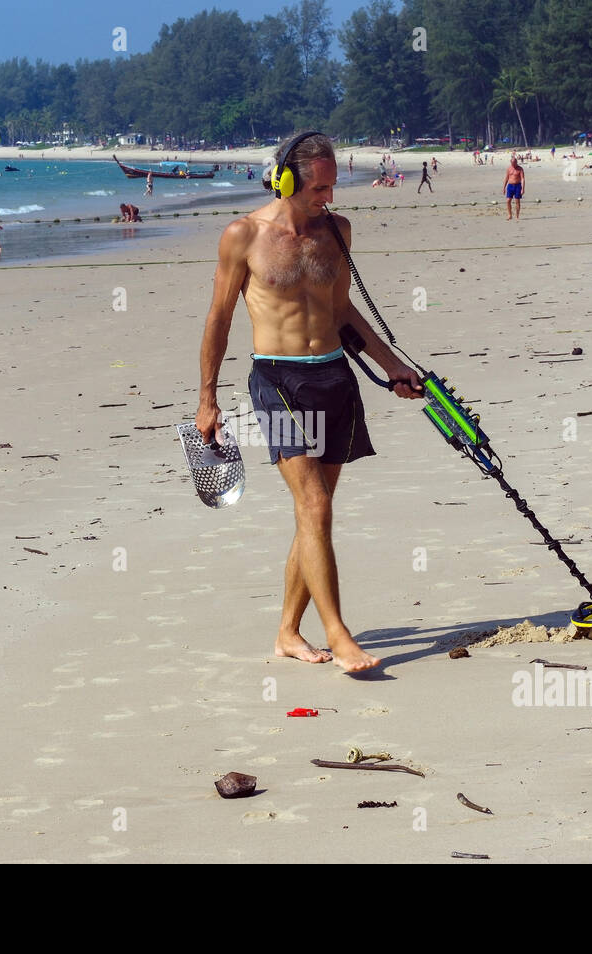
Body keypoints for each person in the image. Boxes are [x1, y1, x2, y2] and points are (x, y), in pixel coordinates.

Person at [195, 132, 422, 673]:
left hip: (335, 378)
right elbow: (219, 318)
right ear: (287, 179)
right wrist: (207, 398)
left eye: (332, 185)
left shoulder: (337, 232)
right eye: (319, 186)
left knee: (313, 515)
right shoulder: (243, 236)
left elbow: (343, 309)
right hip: (278, 380)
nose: (330, 197)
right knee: (315, 506)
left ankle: (288, 633)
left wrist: (391, 366)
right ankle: (338, 633)